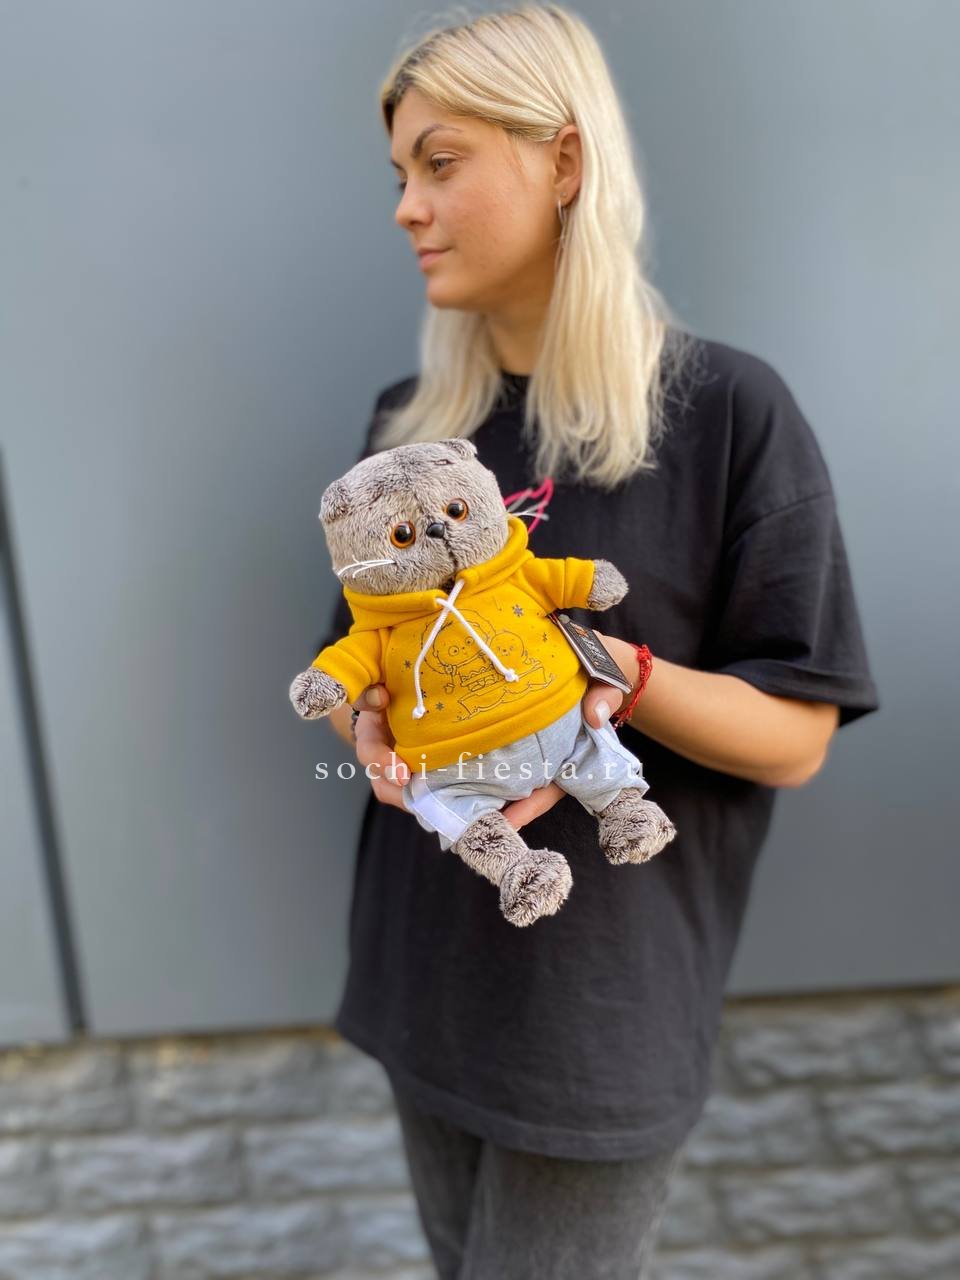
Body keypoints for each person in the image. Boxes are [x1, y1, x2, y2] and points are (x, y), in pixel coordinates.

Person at [310, 6, 881, 1277]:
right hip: (424, 974)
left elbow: (797, 735)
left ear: (563, 161)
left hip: (597, 1020)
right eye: (399, 173)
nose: (406, 207)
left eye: (440, 163)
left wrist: (613, 670)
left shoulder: (727, 414)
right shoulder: (408, 429)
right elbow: (359, 664)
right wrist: (370, 730)